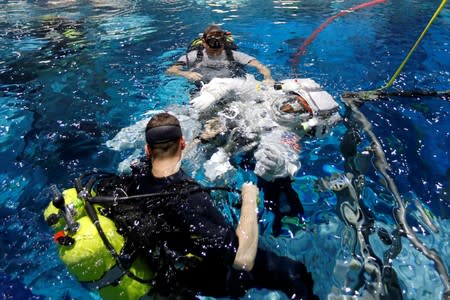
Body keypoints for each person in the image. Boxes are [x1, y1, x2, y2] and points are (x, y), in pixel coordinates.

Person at [110, 112, 318, 299]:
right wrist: (249, 199)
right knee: (297, 275)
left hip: (167, 268)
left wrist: (201, 139)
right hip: (212, 280)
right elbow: (242, 260)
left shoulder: (137, 173)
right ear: (182, 143)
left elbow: (168, 160)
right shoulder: (190, 200)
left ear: (148, 149)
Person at [166, 24, 274, 86]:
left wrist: (268, 77)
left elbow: (259, 66)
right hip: (201, 87)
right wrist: (186, 74)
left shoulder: (234, 55)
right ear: (203, 43)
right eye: (212, 49)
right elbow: (171, 70)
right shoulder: (193, 56)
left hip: (229, 86)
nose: (216, 52)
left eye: (219, 49)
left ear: (225, 44)